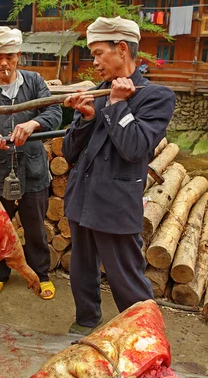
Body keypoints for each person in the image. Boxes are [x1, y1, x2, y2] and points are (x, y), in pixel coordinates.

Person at [62, 17, 175, 334]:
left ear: (122, 48)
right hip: (82, 196)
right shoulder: (96, 93)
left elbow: (135, 148)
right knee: (81, 270)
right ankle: (87, 321)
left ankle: (145, 336)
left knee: (126, 277)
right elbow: (70, 153)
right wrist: (84, 120)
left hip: (115, 203)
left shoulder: (156, 96)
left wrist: (116, 106)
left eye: (98, 53)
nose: (94, 62)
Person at [0, 26, 62, 300]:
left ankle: (41, 274)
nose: (4, 63)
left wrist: (33, 124)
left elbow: (55, 111)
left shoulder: (34, 82)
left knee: (35, 226)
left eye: (9, 56)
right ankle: (0, 272)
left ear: (18, 55)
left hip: (32, 169)